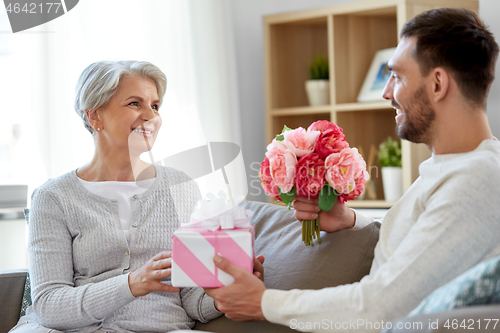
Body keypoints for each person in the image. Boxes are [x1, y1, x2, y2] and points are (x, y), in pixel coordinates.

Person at [204, 8, 500, 332]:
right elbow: (416, 243)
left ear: (438, 84)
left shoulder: (477, 179)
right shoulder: (453, 168)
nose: (387, 92)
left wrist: (262, 303)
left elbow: (380, 306)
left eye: (397, 76)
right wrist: (351, 220)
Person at [11, 60, 233, 332]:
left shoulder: (182, 186)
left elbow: (193, 300)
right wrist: (132, 283)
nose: (150, 116)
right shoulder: (54, 197)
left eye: (155, 106)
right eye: (134, 104)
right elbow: (50, 305)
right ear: (94, 116)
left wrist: (230, 288)